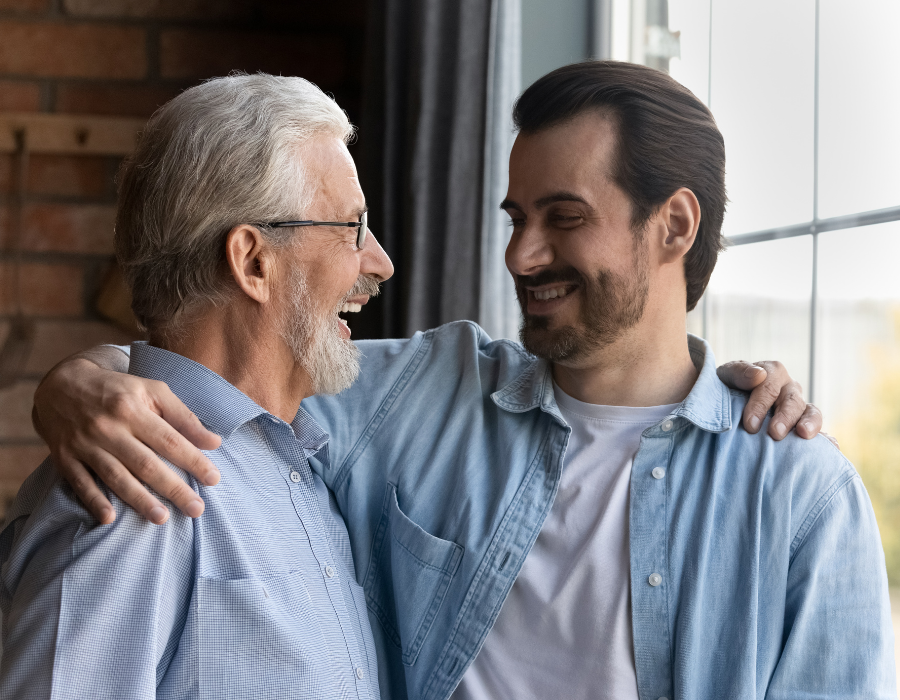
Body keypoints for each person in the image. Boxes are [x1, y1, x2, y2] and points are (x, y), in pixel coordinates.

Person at [26, 62, 881, 700]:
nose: (520, 255)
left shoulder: (798, 490)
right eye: (516, 218)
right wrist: (80, 382)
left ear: (674, 226)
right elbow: (225, 371)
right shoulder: (418, 393)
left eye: (564, 218)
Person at [0, 74, 394, 699]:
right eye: (351, 227)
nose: (379, 262)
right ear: (254, 262)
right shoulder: (135, 487)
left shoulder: (299, 468)